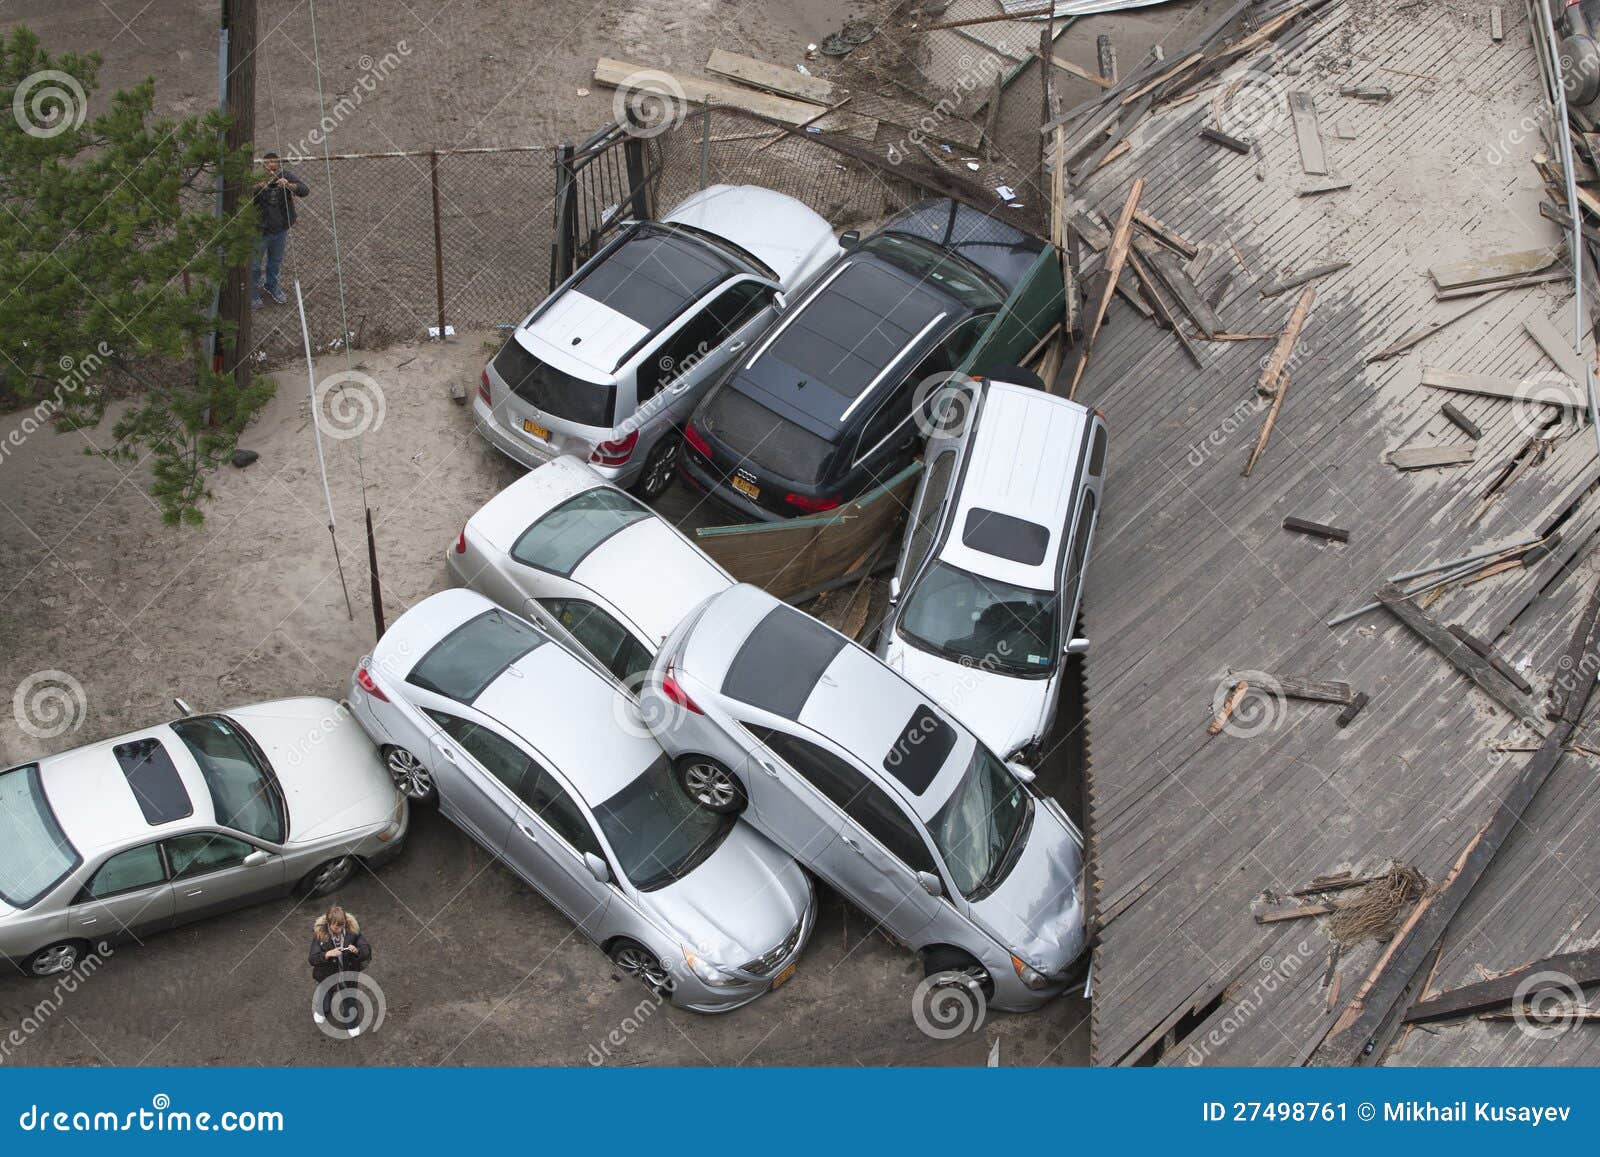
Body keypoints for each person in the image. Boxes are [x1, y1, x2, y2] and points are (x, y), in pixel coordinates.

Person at [251, 152, 309, 309]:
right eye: (268, 163)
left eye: (275, 163)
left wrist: (289, 185)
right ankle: (252, 293)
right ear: (263, 165)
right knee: (254, 265)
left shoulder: (285, 176)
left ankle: (271, 286)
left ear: (279, 166)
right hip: (259, 231)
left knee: (275, 262)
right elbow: (242, 197)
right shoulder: (256, 179)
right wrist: (257, 187)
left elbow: (304, 190)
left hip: (280, 230)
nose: (272, 166)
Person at [308, 905, 372, 1036]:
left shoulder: (353, 931)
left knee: (349, 998)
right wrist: (327, 954)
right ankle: (322, 1011)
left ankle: (352, 1023)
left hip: (347, 973)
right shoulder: (320, 936)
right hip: (327, 974)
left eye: (342, 926)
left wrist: (357, 951)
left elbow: (366, 950)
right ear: (328, 923)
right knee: (325, 993)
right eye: (336, 926)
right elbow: (312, 959)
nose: (339, 929)